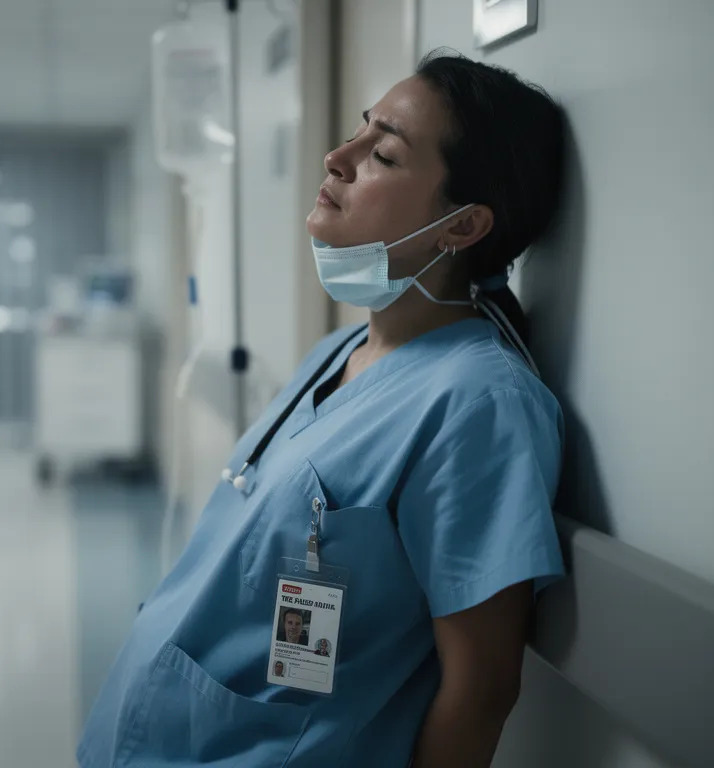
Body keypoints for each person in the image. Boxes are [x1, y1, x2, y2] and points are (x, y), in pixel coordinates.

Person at [79, 50, 566, 768]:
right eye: (360, 132)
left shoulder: (478, 405)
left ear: (461, 227)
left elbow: (483, 689)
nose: (340, 158)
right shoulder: (336, 352)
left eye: (385, 154)